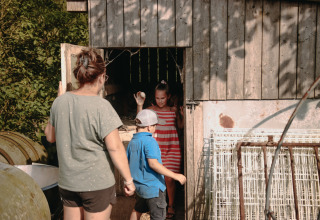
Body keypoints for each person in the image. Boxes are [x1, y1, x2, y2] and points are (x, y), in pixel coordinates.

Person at [45, 49, 135, 220]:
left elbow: (50, 137)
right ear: (102, 76)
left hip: (68, 183)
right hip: (96, 184)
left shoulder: (59, 102)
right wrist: (128, 180)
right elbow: (115, 148)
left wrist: (56, 102)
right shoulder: (102, 107)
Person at [134, 80, 183, 219]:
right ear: (154, 97)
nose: (160, 101)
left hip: (172, 147)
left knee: (169, 178)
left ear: (168, 97)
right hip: (157, 148)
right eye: (157, 98)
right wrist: (140, 105)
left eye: (163, 98)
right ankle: (155, 206)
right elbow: (139, 120)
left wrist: (183, 116)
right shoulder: (151, 111)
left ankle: (171, 205)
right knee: (157, 177)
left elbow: (180, 125)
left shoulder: (173, 110)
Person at [127, 109, 186, 220]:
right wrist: (175, 175)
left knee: (137, 210)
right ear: (149, 127)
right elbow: (153, 164)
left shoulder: (132, 142)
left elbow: (128, 162)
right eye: (155, 126)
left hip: (139, 187)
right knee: (158, 217)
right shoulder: (150, 141)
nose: (155, 128)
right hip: (153, 188)